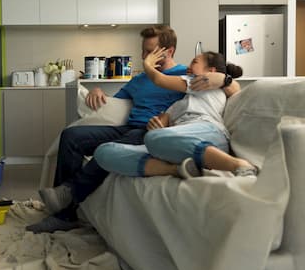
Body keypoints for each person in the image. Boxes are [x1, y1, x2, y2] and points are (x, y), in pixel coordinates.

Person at [26, 26, 240, 234]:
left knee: (126, 141)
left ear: (169, 51)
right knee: (71, 136)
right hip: (128, 127)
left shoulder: (186, 74)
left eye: (149, 51)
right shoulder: (138, 80)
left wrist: (223, 78)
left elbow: (230, 89)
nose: (143, 55)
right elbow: (114, 102)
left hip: (149, 132)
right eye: (143, 50)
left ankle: (67, 205)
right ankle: (63, 209)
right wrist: (97, 90)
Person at [93, 48, 258, 179]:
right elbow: (162, 121)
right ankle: (176, 169)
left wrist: (148, 65)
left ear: (211, 71)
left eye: (194, 62)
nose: (188, 65)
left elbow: (159, 80)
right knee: (104, 151)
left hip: (209, 133)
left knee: (153, 138)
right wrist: (157, 123)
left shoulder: (202, 83)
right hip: (177, 142)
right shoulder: (181, 102)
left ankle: (238, 164)